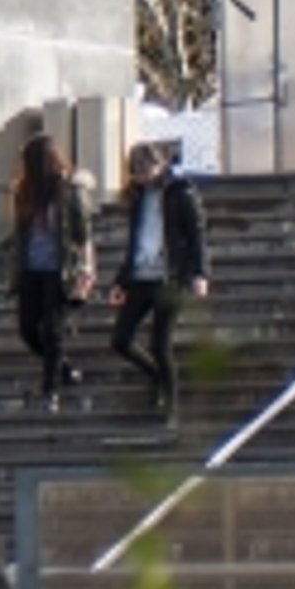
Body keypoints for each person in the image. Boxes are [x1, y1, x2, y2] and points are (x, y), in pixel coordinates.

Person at [105, 140, 211, 413]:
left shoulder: (180, 191)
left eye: (146, 173)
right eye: (138, 175)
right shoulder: (139, 196)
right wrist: (121, 280)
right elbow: (136, 240)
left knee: (159, 343)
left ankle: (171, 405)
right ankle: (156, 377)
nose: (143, 179)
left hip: (169, 277)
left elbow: (196, 234)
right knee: (121, 340)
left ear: (159, 165)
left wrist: (199, 273)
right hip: (140, 275)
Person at [8, 132, 96, 411]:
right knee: (27, 328)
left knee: (53, 330)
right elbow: (19, 235)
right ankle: (64, 368)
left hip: (60, 269)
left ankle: (51, 390)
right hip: (31, 268)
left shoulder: (69, 190)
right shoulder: (24, 191)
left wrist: (85, 268)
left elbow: (82, 234)